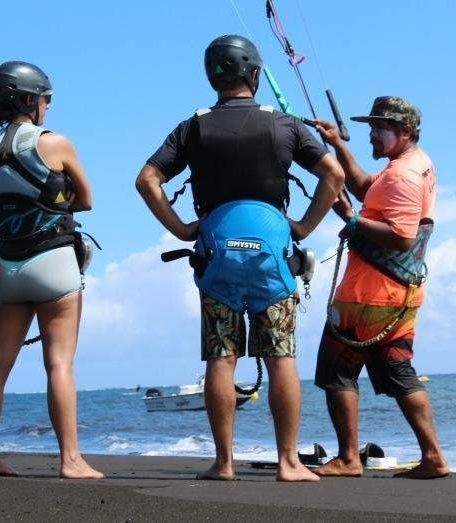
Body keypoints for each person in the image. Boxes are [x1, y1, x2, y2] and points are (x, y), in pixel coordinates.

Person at [135, 35, 344, 481]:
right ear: (254, 75)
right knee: (280, 357)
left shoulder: (193, 126)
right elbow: (334, 173)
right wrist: (303, 226)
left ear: (212, 76)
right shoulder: (284, 124)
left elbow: (147, 179)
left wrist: (182, 229)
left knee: (221, 359)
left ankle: (224, 463)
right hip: (273, 258)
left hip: (216, 258)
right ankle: (289, 463)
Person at [0, 61, 103, 479]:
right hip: (53, 263)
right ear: (29, 99)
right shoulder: (56, 142)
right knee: (59, 363)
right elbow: (85, 200)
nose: (47, 106)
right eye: (45, 98)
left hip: (8, 267)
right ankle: (71, 461)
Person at [311, 96, 449, 479]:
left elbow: (401, 237)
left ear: (405, 131)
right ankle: (434, 456)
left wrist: (350, 219)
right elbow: (364, 186)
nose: (371, 134)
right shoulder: (412, 165)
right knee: (399, 371)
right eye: (370, 126)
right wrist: (338, 145)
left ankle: (348, 459)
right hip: (399, 295)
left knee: (337, 373)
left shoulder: (402, 176)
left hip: (367, 297)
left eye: (379, 128)